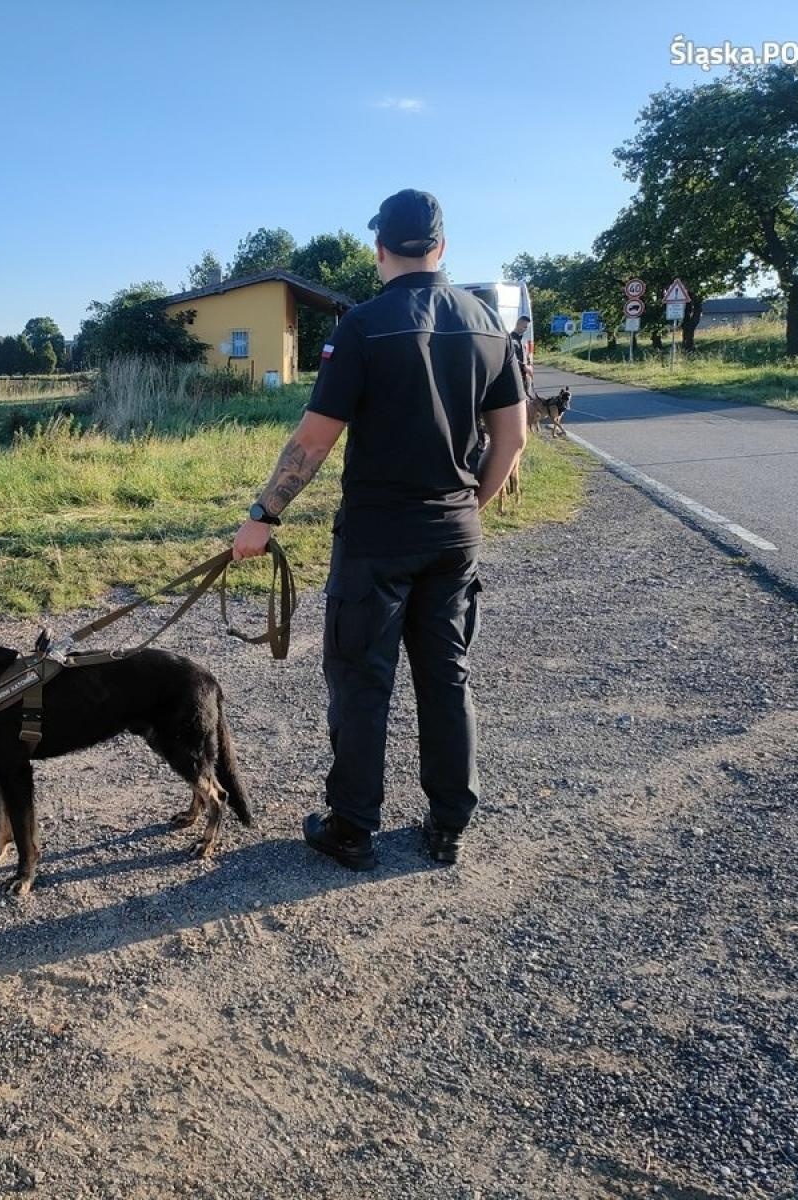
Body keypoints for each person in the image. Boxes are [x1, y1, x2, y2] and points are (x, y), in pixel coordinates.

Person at [231, 189, 525, 869]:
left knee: (362, 682)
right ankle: (448, 824)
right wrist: (468, 507)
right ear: (441, 248)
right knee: (447, 678)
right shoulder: (488, 324)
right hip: (454, 536)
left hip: (376, 542)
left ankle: (353, 828)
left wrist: (262, 516)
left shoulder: (362, 326)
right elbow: (511, 439)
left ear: (379, 250)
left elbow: (314, 440)